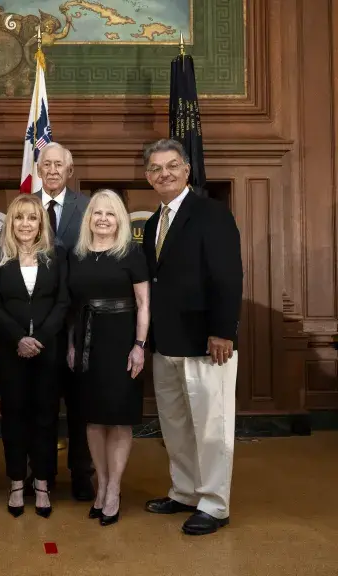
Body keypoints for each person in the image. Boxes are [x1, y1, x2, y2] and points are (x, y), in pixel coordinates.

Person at [141, 138, 243, 536]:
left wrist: (222, 330)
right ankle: (185, 491)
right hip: (166, 342)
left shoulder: (211, 213)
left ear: (186, 170)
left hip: (206, 343)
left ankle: (215, 504)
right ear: (148, 176)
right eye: (155, 168)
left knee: (211, 426)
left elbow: (227, 276)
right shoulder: (152, 223)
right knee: (176, 425)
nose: (163, 173)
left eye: (171, 166)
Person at [0, 194, 70, 518]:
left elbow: (63, 302)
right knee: (15, 418)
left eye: (32, 218)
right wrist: (20, 338)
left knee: (46, 418)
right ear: (11, 223)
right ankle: (17, 482)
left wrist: (40, 338)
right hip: (9, 350)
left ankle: (43, 483)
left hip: (48, 350)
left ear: (40, 223)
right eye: (19, 218)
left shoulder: (57, 255)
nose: (25, 224)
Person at [67, 190, 149, 526]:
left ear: (119, 219)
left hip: (122, 342)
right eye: (97, 213)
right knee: (93, 419)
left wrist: (140, 345)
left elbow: (144, 304)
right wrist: (72, 345)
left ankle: (114, 488)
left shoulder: (132, 253)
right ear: (89, 218)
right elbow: (73, 307)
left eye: (110, 214)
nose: (103, 219)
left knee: (118, 418)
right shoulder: (78, 254)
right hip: (86, 342)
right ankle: (100, 484)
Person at [33, 142, 93, 501]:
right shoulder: (23, 208)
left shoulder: (86, 208)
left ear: (70, 171)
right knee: (42, 403)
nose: (53, 170)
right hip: (37, 323)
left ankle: (81, 473)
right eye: (47, 164)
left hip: (79, 322)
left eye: (60, 165)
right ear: (38, 169)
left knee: (79, 404)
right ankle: (42, 472)